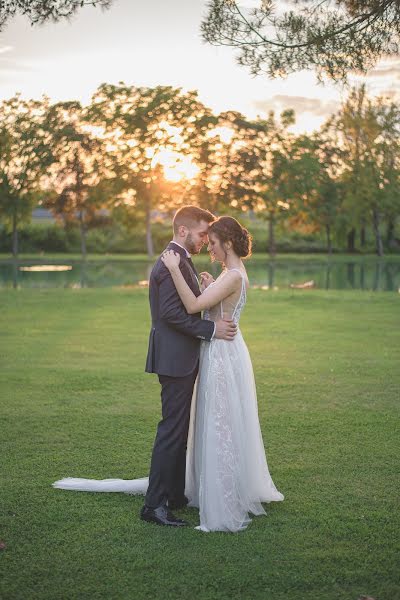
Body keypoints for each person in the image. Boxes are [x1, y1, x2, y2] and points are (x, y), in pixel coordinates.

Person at [53, 206, 238, 529]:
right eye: (201, 234)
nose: (205, 240)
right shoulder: (170, 263)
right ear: (183, 231)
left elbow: (190, 304)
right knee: (171, 431)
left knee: (179, 431)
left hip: (183, 356)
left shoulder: (181, 260)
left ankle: (175, 494)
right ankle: (154, 506)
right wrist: (211, 331)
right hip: (175, 358)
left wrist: (204, 287)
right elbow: (171, 315)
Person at [160, 215, 284, 532]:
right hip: (221, 348)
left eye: (213, 243)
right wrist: (208, 286)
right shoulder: (229, 274)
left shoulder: (232, 276)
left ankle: (223, 498)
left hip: (221, 353)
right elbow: (215, 308)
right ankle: (210, 486)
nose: (209, 248)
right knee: (218, 419)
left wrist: (175, 270)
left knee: (221, 422)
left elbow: (192, 307)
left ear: (227, 243)